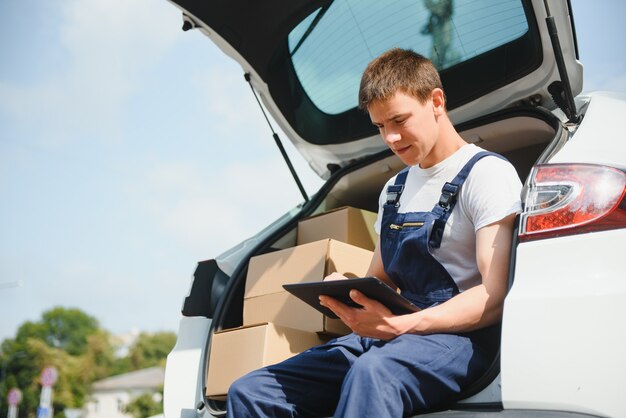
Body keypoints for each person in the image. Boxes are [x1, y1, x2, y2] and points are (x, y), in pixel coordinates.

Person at [226, 48, 522, 418]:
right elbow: (379, 279)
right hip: (392, 337)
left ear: (436, 101)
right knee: (252, 391)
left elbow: (494, 296)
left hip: (460, 340)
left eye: (399, 120)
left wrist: (405, 325)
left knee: (373, 373)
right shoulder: (393, 190)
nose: (392, 138)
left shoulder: (485, 174)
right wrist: (346, 289)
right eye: (381, 126)